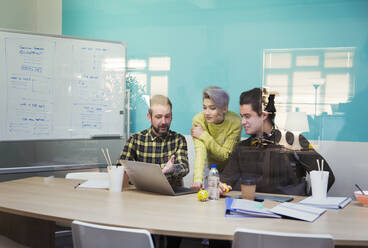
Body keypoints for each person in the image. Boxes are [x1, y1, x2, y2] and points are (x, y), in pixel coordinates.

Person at [220, 88, 335, 196]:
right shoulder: (242, 148)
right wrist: (219, 187)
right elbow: (225, 182)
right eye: (242, 116)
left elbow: (326, 175)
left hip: (289, 212)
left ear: (264, 115)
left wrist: (309, 203)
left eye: (247, 116)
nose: (243, 122)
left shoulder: (293, 141)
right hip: (253, 211)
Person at [117, 94, 189, 248]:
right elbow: (120, 168)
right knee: (144, 239)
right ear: (149, 117)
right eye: (158, 117)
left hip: (172, 202)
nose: (163, 122)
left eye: (167, 117)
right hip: (143, 201)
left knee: (174, 238)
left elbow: (184, 167)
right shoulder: (136, 139)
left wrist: (171, 169)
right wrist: (149, 174)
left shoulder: (179, 139)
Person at [190, 86, 242, 190]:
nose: (207, 113)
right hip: (210, 168)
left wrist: (204, 135)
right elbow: (200, 151)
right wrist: (197, 180)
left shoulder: (235, 121)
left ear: (224, 108)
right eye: (204, 107)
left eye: (212, 108)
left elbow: (225, 155)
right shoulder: (198, 120)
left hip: (230, 170)